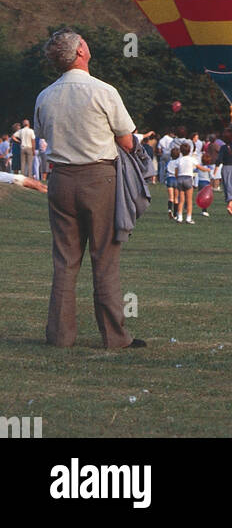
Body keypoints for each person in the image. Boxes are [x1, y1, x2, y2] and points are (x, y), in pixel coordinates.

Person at [33, 29, 146, 351]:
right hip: (99, 178)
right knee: (105, 259)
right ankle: (114, 337)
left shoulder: (45, 95)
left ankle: (59, 335)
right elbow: (126, 140)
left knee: (65, 260)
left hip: (60, 179)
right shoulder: (103, 91)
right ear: (81, 51)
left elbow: (43, 134)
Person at [174, 142, 197, 224]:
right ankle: (188, 218)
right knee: (189, 200)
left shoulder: (178, 160)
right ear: (189, 150)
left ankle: (179, 217)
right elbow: (198, 166)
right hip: (188, 178)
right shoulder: (191, 159)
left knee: (181, 200)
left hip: (180, 178)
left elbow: (176, 172)